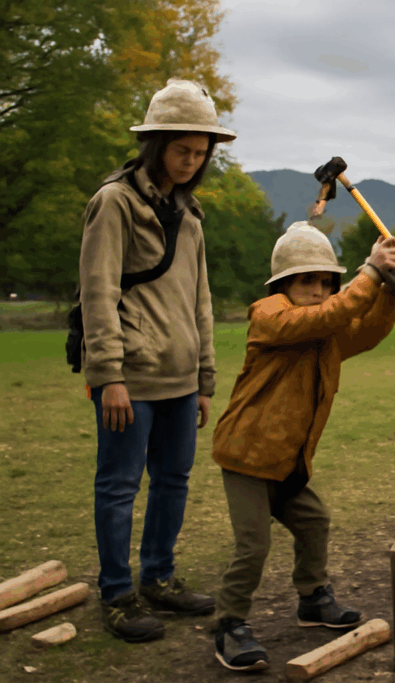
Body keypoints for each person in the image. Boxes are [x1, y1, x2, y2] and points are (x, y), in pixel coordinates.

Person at [210, 222, 395, 671]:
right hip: (246, 457)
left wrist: (392, 301)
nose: (319, 289)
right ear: (283, 283)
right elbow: (329, 316)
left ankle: (312, 600)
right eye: (308, 280)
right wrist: (371, 272)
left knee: (315, 521)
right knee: (253, 546)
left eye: (326, 281)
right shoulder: (270, 316)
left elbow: (363, 329)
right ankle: (228, 625)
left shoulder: (326, 334)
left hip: (287, 462)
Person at [78, 79, 235, 642]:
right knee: (119, 485)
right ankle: (117, 594)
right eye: (182, 150)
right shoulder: (114, 203)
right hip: (129, 381)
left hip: (180, 380)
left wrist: (205, 380)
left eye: (201, 153)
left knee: (173, 481)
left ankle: (159, 578)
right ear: (156, 144)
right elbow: (98, 294)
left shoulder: (190, 216)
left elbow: (201, 303)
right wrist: (109, 376)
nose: (191, 161)